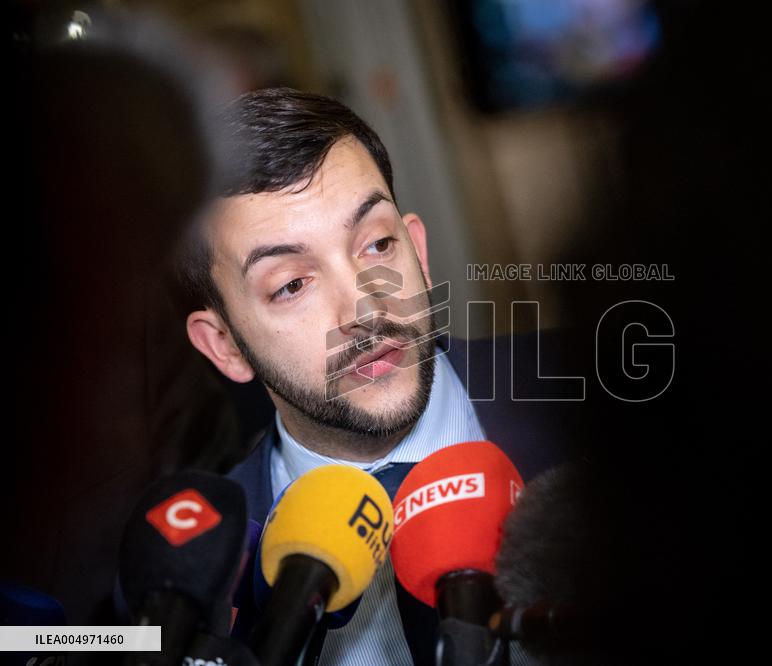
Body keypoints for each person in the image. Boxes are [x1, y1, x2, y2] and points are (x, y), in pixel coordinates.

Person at [177, 87, 580, 665]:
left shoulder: (600, 412)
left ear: (416, 248)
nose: (366, 309)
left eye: (377, 244)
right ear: (224, 346)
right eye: (292, 284)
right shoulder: (190, 571)